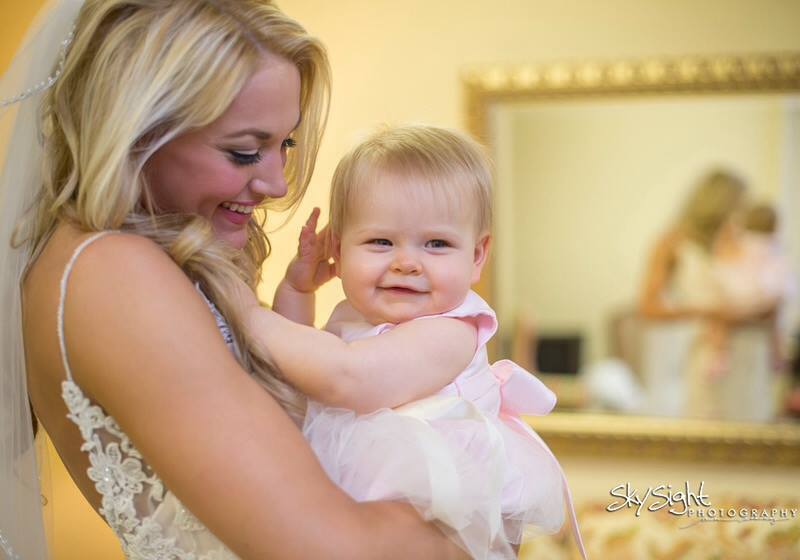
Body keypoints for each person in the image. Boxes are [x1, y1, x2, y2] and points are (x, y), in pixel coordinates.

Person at [0, 1, 471, 559]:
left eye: (285, 145)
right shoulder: (113, 272)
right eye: (245, 152)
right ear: (139, 129)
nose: (276, 183)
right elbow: (333, 548)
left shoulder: (133, 261)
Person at [237, 125, 587, 560]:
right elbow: (291, 372)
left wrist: (246, 313)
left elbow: (350, 378)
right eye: (380, 241)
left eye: (437, 244)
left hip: (440, 516)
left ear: (477, 256)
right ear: (339, 248)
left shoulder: (452, 331)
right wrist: (297, 291)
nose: (406, 263)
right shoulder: (353, 315)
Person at [638, 170, 779, 420]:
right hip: (703, 348)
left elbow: (768, 295)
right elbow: (649, 306)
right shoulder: (672, 242)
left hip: (749, 351)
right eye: (738, 203)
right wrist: (707, 312)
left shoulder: (745, 242)